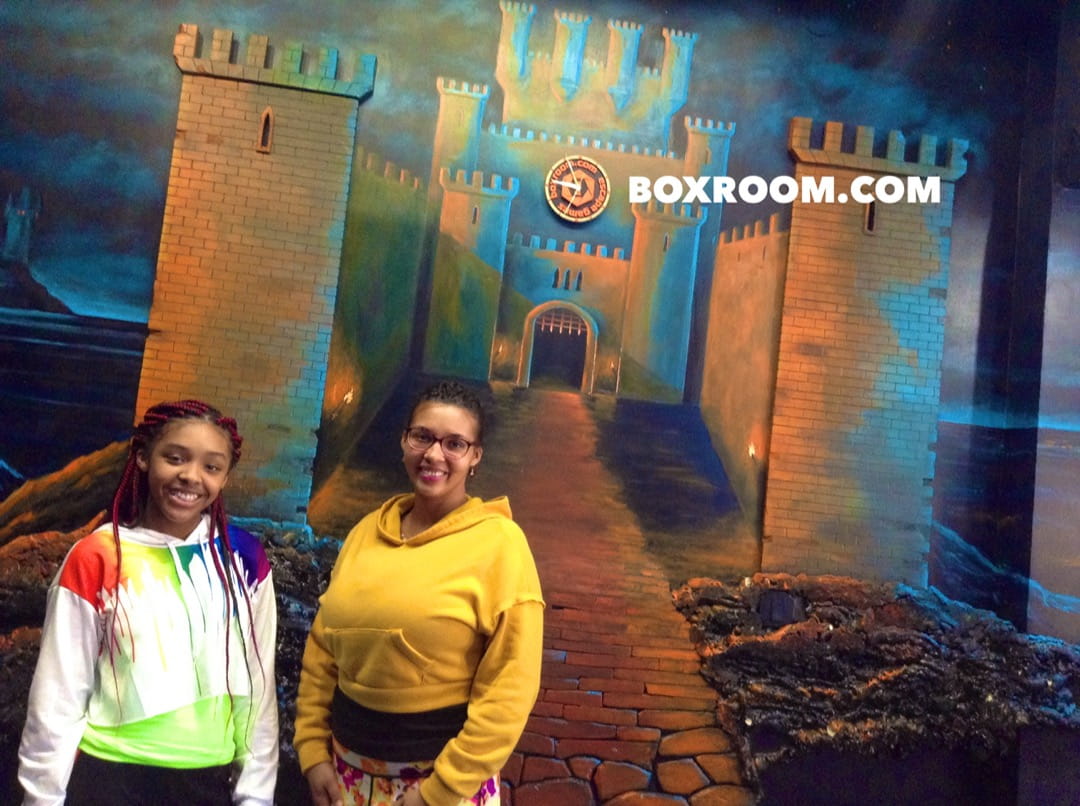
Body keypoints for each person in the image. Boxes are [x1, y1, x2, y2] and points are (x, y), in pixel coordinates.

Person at [294, 380, 544, 806]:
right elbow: (323, 650)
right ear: (404, 441)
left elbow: (509, 688)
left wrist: (437, 793)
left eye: (455, 443)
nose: (434, 454)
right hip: (345, 779)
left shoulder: (500, 546)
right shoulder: (365, 533)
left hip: (440, 788)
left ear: (475, 456)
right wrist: (312, 750)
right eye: (422, 436)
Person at [18, 400, 278, 805]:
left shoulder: (244, 559)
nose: (191, 476)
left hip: (206, 784)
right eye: (175, 458)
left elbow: (259, 694)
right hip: (110, 781)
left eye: (211, 466)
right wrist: (41, 798)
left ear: (225, 477)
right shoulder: (97, 556)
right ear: (142, 457)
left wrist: (255, 796)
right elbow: (57, 696)